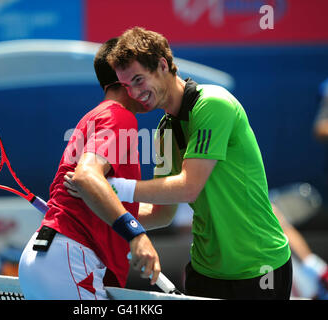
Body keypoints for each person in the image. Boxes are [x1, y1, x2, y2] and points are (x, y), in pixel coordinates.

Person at [67, 27, 292, 300]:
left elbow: (188, 187)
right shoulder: (164, 130)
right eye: (127, 86)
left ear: (163, 65)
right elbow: (163, 213)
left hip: (260, 268)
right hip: (204, 271)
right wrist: (102, 212)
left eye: (139, 80)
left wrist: (112, 187)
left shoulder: (213, 104)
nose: (135, 93)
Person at [18, 38, 161, 300]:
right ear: (124, 78)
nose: (151, 84)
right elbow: (86, 176)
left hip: (45, 257)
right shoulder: (119, 116)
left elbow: (105, 198)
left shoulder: (94, 117)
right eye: (144, 74)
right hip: (67, 259)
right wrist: (137, 236)